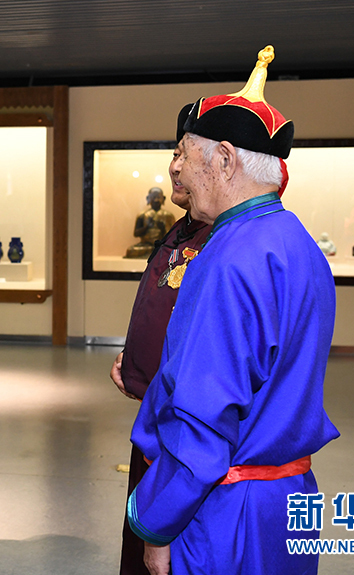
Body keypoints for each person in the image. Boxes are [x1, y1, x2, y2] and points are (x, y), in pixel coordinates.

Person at [125, 47, 340, 575]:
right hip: (288, 501)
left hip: (225, 509)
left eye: (184, 153)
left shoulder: (225, 258)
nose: (176, 168)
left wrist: (159, 522)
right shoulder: (299, 245)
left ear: (223, 159)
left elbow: (204, 417)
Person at [110, 147, 212, 574]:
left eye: (185, 155)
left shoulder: (226, 237)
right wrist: (134, 356)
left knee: (170, 548)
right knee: (141, 534)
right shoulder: (183, 226)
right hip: (154, 415)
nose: (174, 167)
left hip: (188, 429)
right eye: (175, 153)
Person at [125, 187, 175, 259]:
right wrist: (147, 226)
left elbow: (173, 236)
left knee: (172, 250)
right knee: (131, 250)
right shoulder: (142, 215)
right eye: (153, 197)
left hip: (162, 245)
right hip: (146, 245)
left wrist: (163, 228)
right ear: (148, 198)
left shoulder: (168, 215)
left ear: (163, 199)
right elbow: (136, 234)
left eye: (158, 197)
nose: (156, 200)